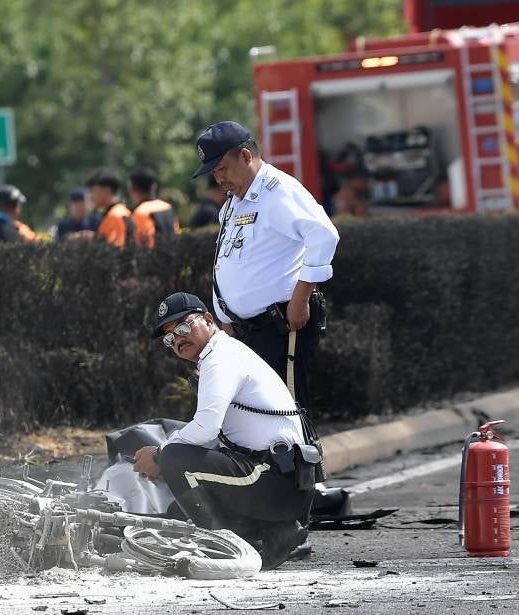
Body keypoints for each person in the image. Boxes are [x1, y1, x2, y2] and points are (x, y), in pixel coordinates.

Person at [132, 292, 320, 570]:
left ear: (209, 320)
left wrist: (160, 456)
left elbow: (206, 428)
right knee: (178, 511)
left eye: (182, 327)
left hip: (276, 482)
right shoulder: (221, 353)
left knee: (176, 459)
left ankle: (228, 548)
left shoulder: (220, 358)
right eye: (170, 338)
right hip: (280, 482)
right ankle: (278, 532)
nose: (178, 339)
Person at [191, 121, 339, 413]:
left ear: (245, 156)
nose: (218, 179)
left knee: (288, 414)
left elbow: (324, 235)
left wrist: (300, 298)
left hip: (280, 327)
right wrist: (226, 317)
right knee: (260, 420)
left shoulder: (278, 190)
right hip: (247, 332)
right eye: (214, 173)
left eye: (222, 169)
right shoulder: (234, 201)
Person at [127, 166, 179, 248]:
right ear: (154, 187)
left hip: (155, 254)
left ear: (133, 189)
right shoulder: (167, 207)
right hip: (174, 252)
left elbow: (144, 243)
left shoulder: (141, 212)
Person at [86, 168, 135, 248]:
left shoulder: (115, 216)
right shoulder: (118, 212)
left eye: (92, 191)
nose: (90, 196)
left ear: (107, 190)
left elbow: (115, 250)